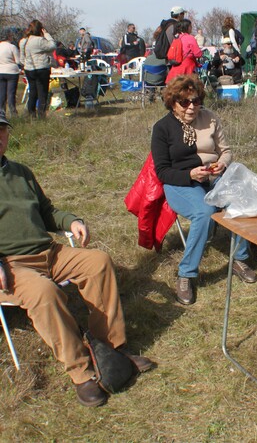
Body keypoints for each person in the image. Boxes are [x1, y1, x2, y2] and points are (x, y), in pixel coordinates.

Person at [0, 115, 153, 406]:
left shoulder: (21, 172)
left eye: (2, 130)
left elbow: (47, 211)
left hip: (48, 252)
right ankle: (81, 371)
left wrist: (72, 222)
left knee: (99, 261)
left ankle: (110, 349)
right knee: (46, 293)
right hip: (10, 264)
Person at [151, 75, 257, 305]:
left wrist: (223, 163)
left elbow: (226, 150)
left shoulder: (209, 118)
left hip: (214, 177)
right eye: (185, 102)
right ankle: (186, 273)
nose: (192, 106)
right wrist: (190, 174)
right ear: (173, 102)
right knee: (204, 212)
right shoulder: (162, 128)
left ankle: (240, 258)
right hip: (180, 182)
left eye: (196, 100)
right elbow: (162, 171)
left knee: (239, 200)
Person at [19, 20, 56, 119]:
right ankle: (41, 115)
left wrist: (25, 64)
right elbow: (52, 45)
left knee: (33, 92)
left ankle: (31, 115)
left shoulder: (23, 41)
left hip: (29, 69)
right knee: (42, 93)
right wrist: (46, 34)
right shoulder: (40, 40)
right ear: (40, 29)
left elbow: (21, 58)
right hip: (42, 68)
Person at [0, 29, 21, 117]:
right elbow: (18, 61)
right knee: (11, 93)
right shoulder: (12, 47)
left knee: (2, 93)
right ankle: (13, 112)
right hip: (12, 71)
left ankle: (1, 113)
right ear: (8, 37)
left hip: (1, 71)